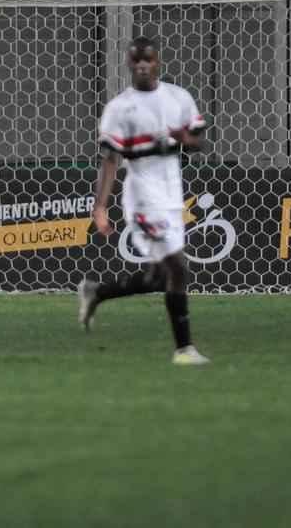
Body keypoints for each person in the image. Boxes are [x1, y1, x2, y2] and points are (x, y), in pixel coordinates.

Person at [77, 37, 210, 366]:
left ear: (157, 62)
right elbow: (110, 160)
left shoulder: (178, 98)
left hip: (172, 197)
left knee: (158, 277)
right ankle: (184, 350)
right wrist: (100, 206)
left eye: (147, 59)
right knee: (178, 267)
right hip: (143, 198)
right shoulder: (119, 108)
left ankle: (97, 292)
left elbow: (198, 142)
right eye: (136, 60)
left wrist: (184, 139)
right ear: (128, 64)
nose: (142, 65)